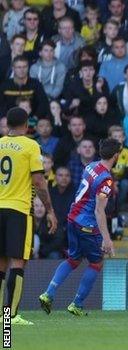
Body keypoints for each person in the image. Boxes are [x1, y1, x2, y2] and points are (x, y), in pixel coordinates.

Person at [39, 138, 120, 317]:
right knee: (96, 262)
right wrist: (107, 240)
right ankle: (77, 304)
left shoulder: (91, 166)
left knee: (73, 259)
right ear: (116, 156)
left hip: (73, 218)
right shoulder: (106, 180)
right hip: (87, 224)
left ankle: (48, 293)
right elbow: (99, 211)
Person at [0, 107, 58, 325]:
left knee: (0, 264)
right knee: (17, 262)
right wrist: (50, 209)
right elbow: (39, 182)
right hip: (18, 209)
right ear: (26, 126)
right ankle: (11, 316)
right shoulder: (30, 145)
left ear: (7, 125)